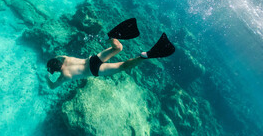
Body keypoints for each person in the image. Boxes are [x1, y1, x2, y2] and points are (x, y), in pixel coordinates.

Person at [46, 32, 175, 89]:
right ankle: (111, 37)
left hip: (93, 70)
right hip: (93, 59)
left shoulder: (64, 77)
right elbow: (57, 56)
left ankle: (143, 56)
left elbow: (52, 87)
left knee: (123, 66)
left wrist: (47, 77)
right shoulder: (65, 58)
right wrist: (53, 60)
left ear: (55, 70)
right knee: (119, 47)